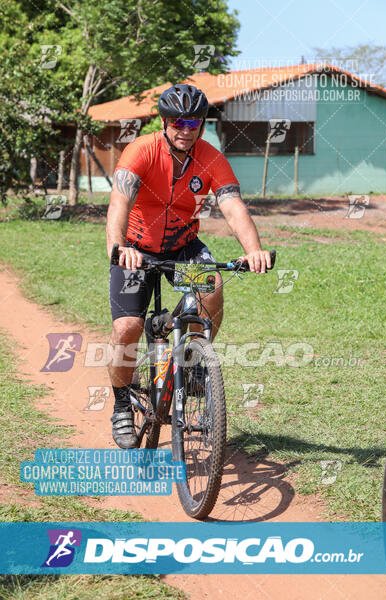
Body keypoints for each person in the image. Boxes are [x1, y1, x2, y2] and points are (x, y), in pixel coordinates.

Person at [106, 84, 271, 448]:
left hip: (182, 248)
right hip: (137, 249)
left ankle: (195, 361)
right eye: (178, 121)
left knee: (212, 287)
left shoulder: (210, 157)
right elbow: (119, 204)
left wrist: (253, 249)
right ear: (165, 122)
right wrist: (119, 248)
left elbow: (232, 206)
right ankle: (121, 406)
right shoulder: (142, 151)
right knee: (128, 329)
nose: (186, 129)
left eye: (194, 122)